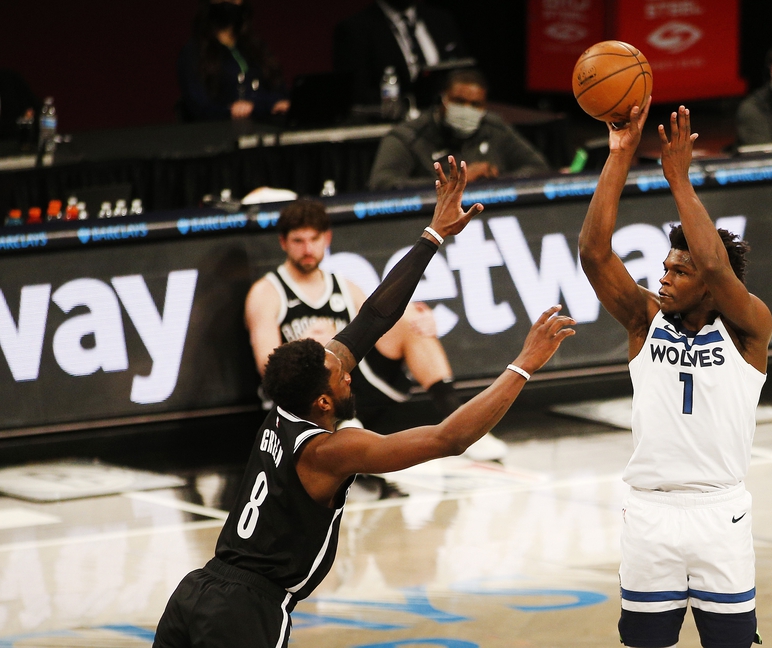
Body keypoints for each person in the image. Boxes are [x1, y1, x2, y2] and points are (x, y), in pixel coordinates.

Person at [153, 159, 576, 647]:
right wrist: (523, 364)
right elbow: (449, 437)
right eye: (340, 373)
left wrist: (433, 236)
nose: (347, 367)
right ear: (324, 401)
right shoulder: (329, 451)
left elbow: (374, 315)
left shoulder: (285, 408)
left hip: (194, 590)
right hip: (246, 611)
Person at [579, 102, 772, 648]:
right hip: (650, 514)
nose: (663, 277)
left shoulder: (748, 329)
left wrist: (679, 180)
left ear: (710, 287)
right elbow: (594, 254)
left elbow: (715, 264)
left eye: (678, 270)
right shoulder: (645, 320)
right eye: (664, 266)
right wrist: (619, 155)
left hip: (719, 515)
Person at [244, 197, 508, 462]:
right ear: (283, 243)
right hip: (306, 404)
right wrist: (309, 349)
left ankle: (459, 419)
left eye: (313, 239)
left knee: (410, 319)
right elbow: (267, 368)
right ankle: (341, 425)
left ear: (327, 238)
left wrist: (423, 321)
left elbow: (378, 320)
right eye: (298, 241)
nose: (307, 248)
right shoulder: (267, 292)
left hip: (351, 385)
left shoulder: (344, 285)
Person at [368, 68, 550, 191]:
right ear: (442, 99)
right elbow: (381, 184)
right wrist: (455, 181)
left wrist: (498, 179)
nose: (466, 110)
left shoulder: (494, 129)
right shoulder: (408, 137)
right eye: (459, 101)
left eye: (475, 105)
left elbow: (538, 169)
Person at [334, 0, 469, 106]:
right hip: (393, 126)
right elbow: (356, 93)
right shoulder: (355, 29)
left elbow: (464, 71)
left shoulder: (441, 19)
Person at [177, 0, 289, 122]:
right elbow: (199, 106)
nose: (229, 2)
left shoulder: (256, 48)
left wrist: (275, 104)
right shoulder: (194, 52)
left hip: (266, 125)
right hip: (222, 131)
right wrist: (231, 110)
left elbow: (279, 89)